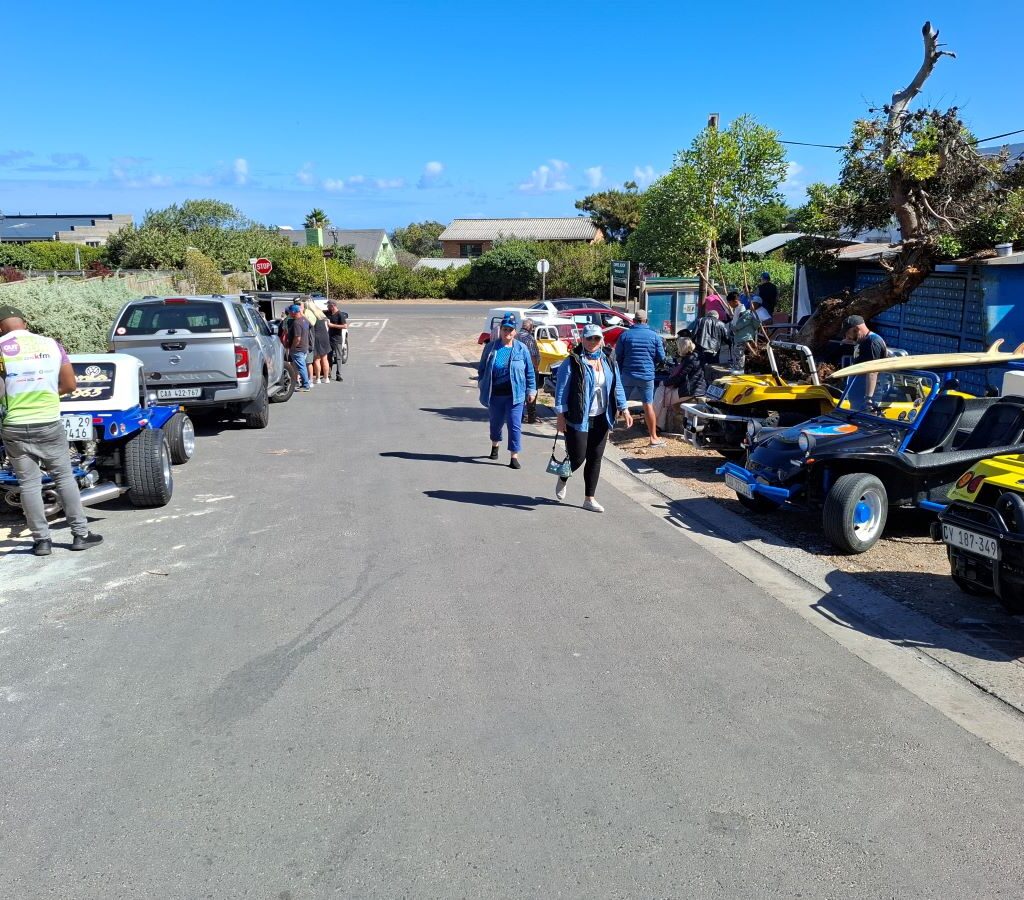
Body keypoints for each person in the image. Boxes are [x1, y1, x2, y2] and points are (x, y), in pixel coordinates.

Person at [0, 304, 102, 556]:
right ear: (24, 322)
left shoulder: (1, 348)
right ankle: (80, 534)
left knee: (28, 484)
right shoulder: (51, 345)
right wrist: (47, 394)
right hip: (48, 422)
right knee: (64, 477)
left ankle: (41, 541)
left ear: (1, 327)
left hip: (14, 425)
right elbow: (69, 384)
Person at [554, 324, 633, 512]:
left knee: (595, 457)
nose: (592, 342)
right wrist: (560, 416)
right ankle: (563, 476)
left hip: (601, 416)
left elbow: (617, 385)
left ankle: (589, 498)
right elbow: (561, 390)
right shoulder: (572, 361)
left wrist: (625, 408)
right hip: (578, 417)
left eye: (596, 338)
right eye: (589, 338)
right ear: (582, 339)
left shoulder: (608, 359)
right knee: (577, 458)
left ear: (601, 340)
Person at [477, 313, 536, 469]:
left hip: (515, 394)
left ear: (515, 331)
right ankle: (495, 445)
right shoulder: (491, 347)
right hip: (495, 394)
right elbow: (482, 368)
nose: (507, 332)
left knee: (514, 424)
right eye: (504, 329)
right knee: (495, 424)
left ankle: (513, 456)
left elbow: (530, 371)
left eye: (510, 329)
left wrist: (531, 390)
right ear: (500, 330)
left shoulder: (521, 349)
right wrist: (481, 382)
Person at [614, 308, 666, 446]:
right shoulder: (654, 336)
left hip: (627, 374)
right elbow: (662, 357)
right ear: (646, 321)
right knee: (648, 405)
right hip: (646, 375)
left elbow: (618, 355)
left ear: (634, 321)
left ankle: (605, 434)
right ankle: (653, 437)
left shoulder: (625, 335)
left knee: (618, 403)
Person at [653, 337, 705, 430]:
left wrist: (664, 383)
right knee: (662, 392)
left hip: (690, 390)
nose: (677, 349)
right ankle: (658, 425)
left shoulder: (689, 359)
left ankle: (654, 421)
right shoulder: (695, 356)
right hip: (696, 388)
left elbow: (679, 378)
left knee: (662, 393)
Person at [516, 317, 541, 424]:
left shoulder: (515, 336)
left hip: (517, 369)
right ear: (530, 327)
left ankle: (519, 415)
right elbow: (533, 356)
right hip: (528, 369)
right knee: (531, 392)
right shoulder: (529, 338)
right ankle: (531, 417)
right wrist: (536, 368)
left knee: (520, 392)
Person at [726, 291, 759, 373]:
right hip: (739, 335)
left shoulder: (742, 309)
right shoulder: (737, 308)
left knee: (739, 352)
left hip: (742, 335)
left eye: (730, 303)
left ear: (735, 301)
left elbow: (743, 321)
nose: (729, 305)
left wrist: (735, 328)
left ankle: (740, 369)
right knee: (736, 351)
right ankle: (736, 367)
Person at [285, 304, 311, 391]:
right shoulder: (305, 320)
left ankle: (305, 385)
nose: (289, 313)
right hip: (304, 347)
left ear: (293, 312)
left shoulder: (296, 323)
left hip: (298, 348)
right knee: (300, 366)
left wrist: (292, 347)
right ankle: (302, 383)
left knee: (301, 366)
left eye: (290, 312)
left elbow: (297, 338)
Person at [305, 299, 331, 385]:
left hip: (316, 337)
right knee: (325, 358)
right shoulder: (320, 312)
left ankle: (318, 378)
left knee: (317, 359)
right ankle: (326, 378)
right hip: (325, 336)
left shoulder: (309, 314)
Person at [325, 300, 349, 382]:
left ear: (333, 305)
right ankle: (328, 373)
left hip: (337, 339)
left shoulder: (340, 315)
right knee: (329, 357)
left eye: (328, 305)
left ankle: (338, 375)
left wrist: (332, 325)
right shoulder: (328, 313)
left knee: (339, 357)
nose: (327, 307)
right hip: (329, 338)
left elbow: (345, 326)